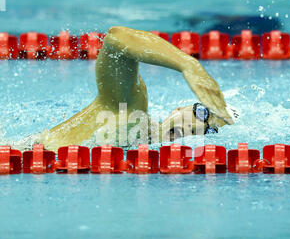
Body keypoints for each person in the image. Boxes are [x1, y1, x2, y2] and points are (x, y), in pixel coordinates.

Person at [39, 26, 234, 151]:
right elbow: (116, 38)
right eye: (203, 113)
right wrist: (188, 65)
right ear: (179, 109)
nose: (198, 126)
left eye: (211, 131)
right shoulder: (130, 107)